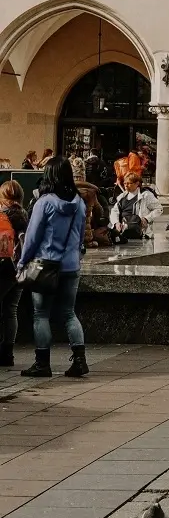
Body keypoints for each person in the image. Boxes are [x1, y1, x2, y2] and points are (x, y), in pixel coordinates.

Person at [17, 158, 88, 378]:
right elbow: (81, 235)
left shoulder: (44, 203)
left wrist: (22, 262)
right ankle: (79, 361)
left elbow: (32, 237)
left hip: (45, 265)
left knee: (41, 314)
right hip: (71, 266)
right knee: (68, 313)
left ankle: (42, 363)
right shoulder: (79, 202)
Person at [0, 182, 28, 368]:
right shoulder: (24, 215)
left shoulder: (3, 216)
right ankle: (7, 353)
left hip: (3, 268)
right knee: (11, 310)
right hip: (19, 269)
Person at [109, 172, 162, 244]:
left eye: (129, 183)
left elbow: (159, 209)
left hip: (140, 233)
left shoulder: (146, 195)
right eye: (124, 183)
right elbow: (114, 211)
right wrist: (116, 223)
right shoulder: (122, 196)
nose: (126, 186)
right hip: (122, 232)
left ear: (137, 183)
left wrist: (146, 219)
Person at [70, 158, 109, 249]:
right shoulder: (91, 192)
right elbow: (99, 212)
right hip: (85, 238)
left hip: (67, 238)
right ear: (84, 176)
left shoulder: (65, 190)